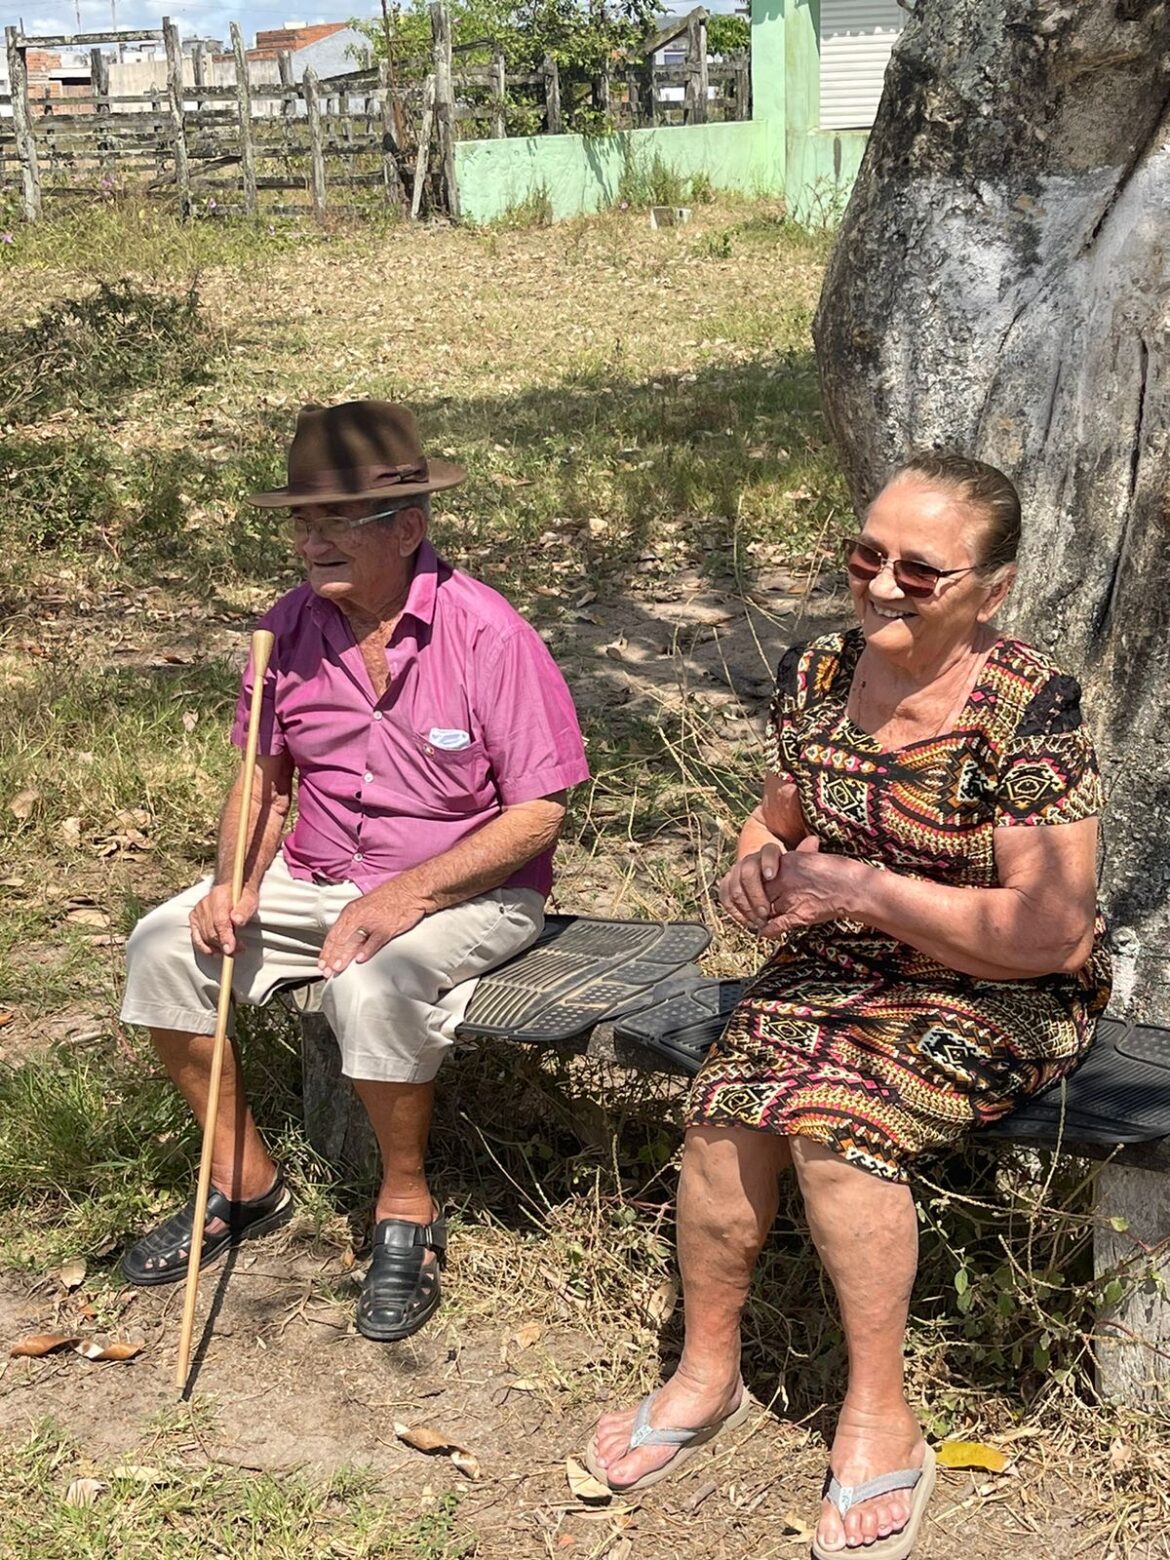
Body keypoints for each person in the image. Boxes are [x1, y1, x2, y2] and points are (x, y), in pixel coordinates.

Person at [585, 453, 1110, 1560]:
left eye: (918, 572)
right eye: (865, 555)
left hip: (995, 986)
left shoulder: (1029, 705)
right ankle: (705, 1375)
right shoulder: (820, 668)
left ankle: (882, 1420)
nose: (878, 586)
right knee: (727, 1108)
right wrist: (756, 867)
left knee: (836, 1127)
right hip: (835, 964)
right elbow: (774, 821)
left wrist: (864, 887)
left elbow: (1051, 930)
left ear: (992, 588)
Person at [120, 399, 590, 1342]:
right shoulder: (284, 632)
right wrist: (232, 882)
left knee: (374, 982)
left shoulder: (487, 633)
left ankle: (405, 1208)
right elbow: (260, 778)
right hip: (317, 869)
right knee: (164, 945)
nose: (310, 541)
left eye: (335, 521)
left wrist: (401, 898)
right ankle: (244, 1185)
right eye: (301, 520)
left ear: (408, 527)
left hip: (469, 890)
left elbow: (541, 811)